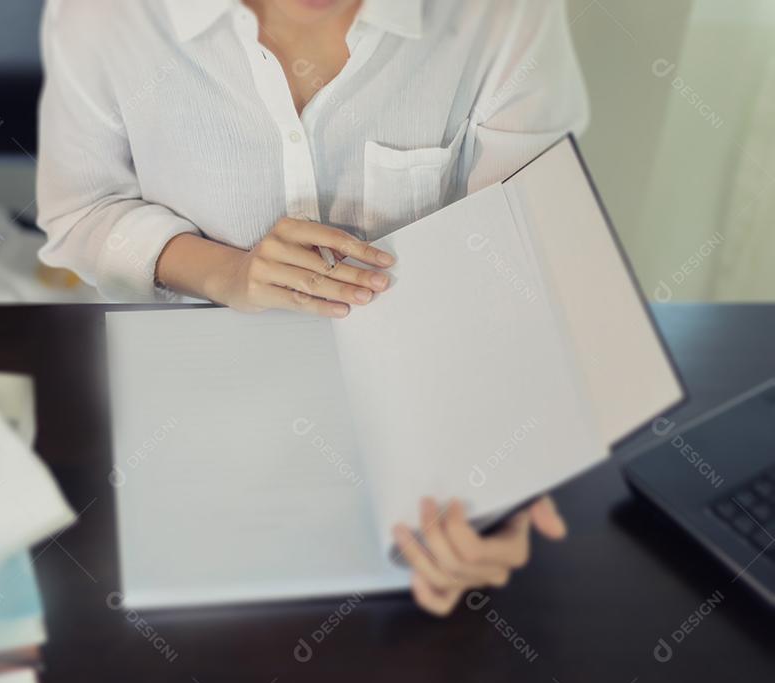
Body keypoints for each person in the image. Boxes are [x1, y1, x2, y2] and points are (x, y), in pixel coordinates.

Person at [36, 0, 586, 615]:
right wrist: (229, 272)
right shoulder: (101, 15)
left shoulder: (506, 14)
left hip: (420, 403)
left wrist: (505, 491)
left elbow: (520, 258)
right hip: (191, 410)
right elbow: (82, 211)